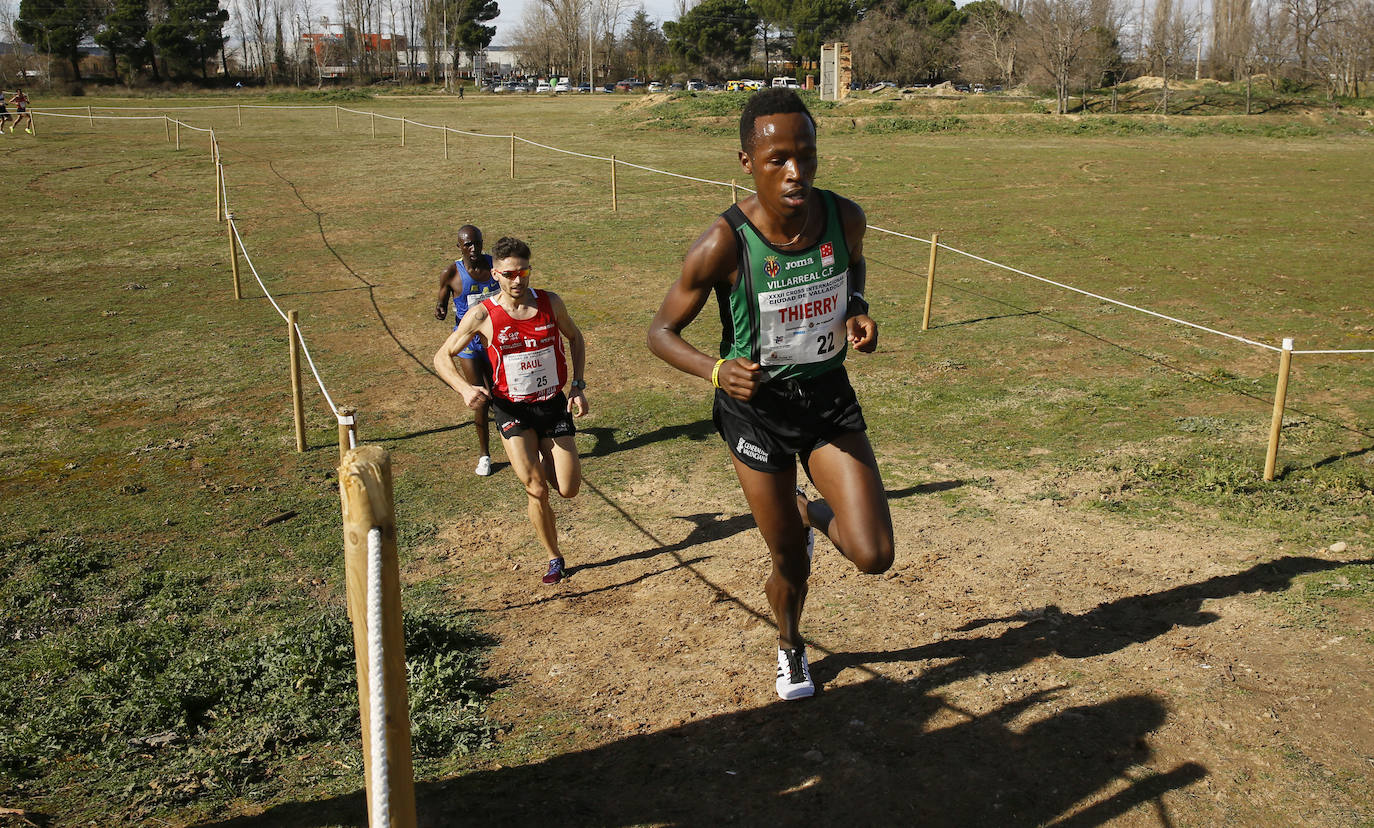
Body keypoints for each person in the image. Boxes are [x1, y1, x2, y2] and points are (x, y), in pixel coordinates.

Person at [647, 88, 894, 701]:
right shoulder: (723, 244)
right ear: (746, 162)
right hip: (755, 415)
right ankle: (790, 645)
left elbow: (853, 265)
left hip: (826, 400)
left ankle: (814, 510)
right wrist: (714, 369)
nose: (795, 172)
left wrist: (856, 308)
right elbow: (660, 333)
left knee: (873, 554)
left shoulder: (844, 216)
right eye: (778, 158)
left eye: (806, 156)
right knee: (791, 561)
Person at [434, 236, 589, 585]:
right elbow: (441, 356)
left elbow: (575, 338)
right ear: (496, 274)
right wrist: (464, 388)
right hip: (511, 410)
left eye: (523, 272)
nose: (517, 281)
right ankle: (554, 557)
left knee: (568, 488)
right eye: (509, 274)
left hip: (551, 405)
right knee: (535, 487)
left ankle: (548, 466)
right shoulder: (482, 314)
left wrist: (577, 385)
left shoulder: (551, 303)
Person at [435, 225, 500, 476]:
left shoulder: (494, 266)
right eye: (468, 244)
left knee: (506, 391)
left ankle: (525, 440)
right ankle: (485, 455)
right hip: (469, 344)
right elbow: (440, 303)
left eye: (477, 243)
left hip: (496, 340)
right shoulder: (451, 273)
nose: (473, 249)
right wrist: (440, 310)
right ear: (459, 246)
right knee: (480, 398)